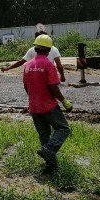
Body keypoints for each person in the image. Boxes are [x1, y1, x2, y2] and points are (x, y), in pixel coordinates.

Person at [23, 34, 73, 174]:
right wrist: (64, 102)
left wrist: (34, 98)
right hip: (49, 106)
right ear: (49, 50)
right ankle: (49, 150)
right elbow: (53, 87)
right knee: (63, 129)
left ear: (35, 48)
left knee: (44, 135)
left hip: (34, 107)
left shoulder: (27, 65)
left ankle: (49, 165)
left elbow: (26, 86)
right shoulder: (48, 65)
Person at [1, 31, 66, 82]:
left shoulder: (32, 50)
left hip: (35, 77)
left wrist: (8, 68)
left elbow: (21, 62)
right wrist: (62, 76)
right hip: (48, 76)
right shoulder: (54, 49)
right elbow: (59, 65)